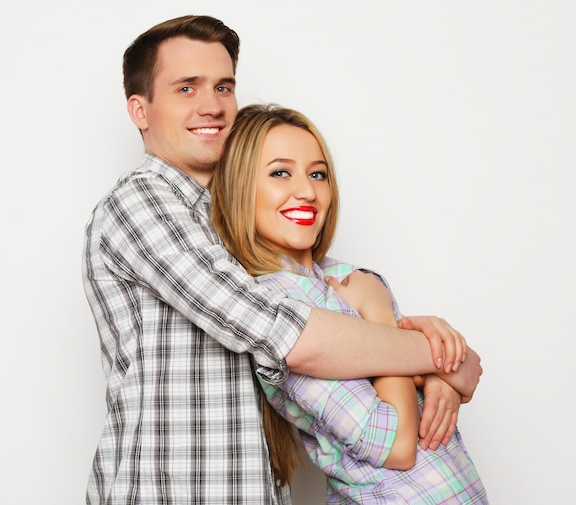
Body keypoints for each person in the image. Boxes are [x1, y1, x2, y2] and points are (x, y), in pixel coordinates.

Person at [82, 14, 483, 505]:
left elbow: (458, 364)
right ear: (139, 110)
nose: (212, 106)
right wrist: (429, 355)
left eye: (224, 87)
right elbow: (285, 333)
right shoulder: (141, 203)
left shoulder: (245, 233)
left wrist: (447, 372)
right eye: (186, 88)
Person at [210, 103, 489, 503]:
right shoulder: (275, 307)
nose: (307, 190)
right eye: (280, 172)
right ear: (240, 188)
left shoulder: (344, 277)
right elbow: (395, 444)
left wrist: (439, 381)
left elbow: (469, 370)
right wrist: (381, 316)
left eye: (318, 174)